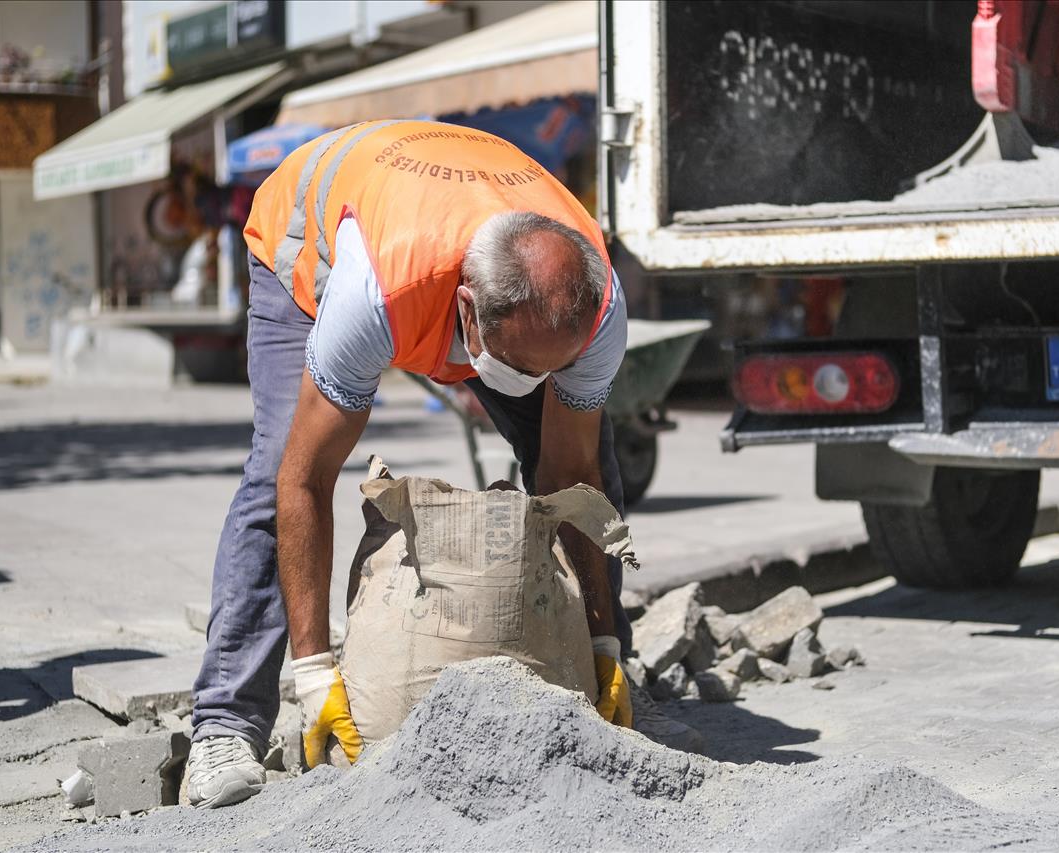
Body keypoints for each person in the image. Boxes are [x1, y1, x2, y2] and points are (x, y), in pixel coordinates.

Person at [184, 120, 698, 809]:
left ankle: (606, 676)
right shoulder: (377, 294)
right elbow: (304, 480)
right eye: (519, 366)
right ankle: (224, 722)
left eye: (558, 367)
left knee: (589, 452)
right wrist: (312, 673)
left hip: (454, 215)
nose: (537, 382)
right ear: (467, 311)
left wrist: (601, 634)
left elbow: (572, 477)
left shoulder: (596, 310)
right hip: (309, 236)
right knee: (280, 456)